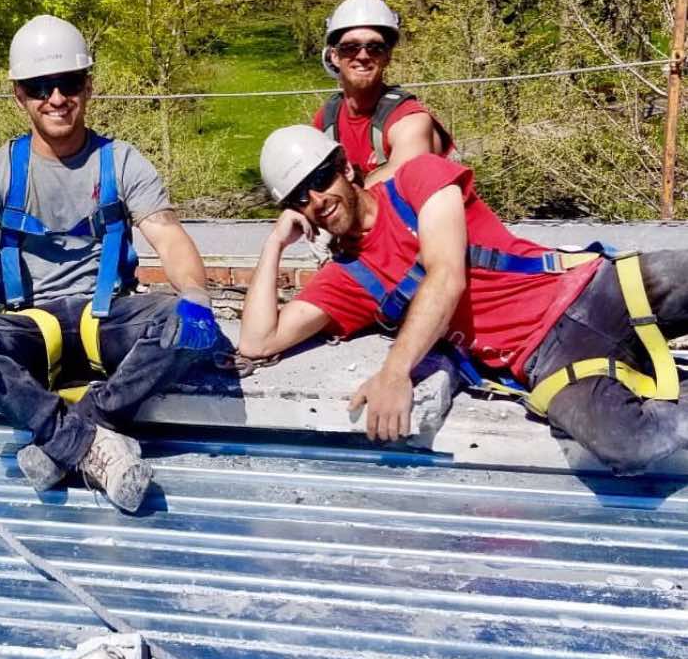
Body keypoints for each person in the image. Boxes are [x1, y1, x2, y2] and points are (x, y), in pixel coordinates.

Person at [240, 125, 688, 471]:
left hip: (598, 289)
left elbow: (446, 275)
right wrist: (274, 244)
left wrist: (396, 372)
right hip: (547, 359)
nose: (317, 200)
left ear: (346, 168)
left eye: (321, 179)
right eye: (300, 197)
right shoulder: (346, 279)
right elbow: (258, 342)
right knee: (627, 446)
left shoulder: (418, 178)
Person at [0, 14, 223, 513]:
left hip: (103, 319)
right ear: (19, 96)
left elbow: (169, 238)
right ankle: (96, 447)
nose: (56, 98)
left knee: (183, 323)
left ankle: (63, 440)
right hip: (29, 325)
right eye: (40, 87)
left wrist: (195, 296)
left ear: (88, 86)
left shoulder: (123, 162)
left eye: (67, 84)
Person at [312, 0, 452, 185]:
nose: (362, 56)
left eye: (375, 47)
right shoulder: (326, 120)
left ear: (387, 56)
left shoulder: (410, 120)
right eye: (350, 47)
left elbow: (402, 183)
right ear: (334, 56)